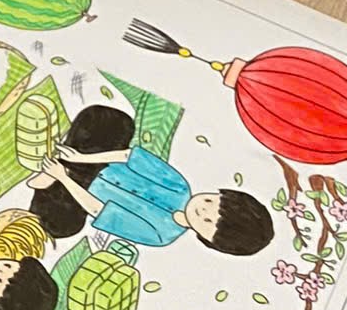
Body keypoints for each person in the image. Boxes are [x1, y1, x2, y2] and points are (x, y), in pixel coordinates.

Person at [27, 107, 274, 256]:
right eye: (210, 202)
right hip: (97, 161)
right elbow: (129, 157)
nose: (202, 210)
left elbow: (98, 210)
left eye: (207, 221)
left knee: (62, 226)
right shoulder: (179, 186)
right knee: (118, 124)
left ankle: (55, 178)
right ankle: (66, 160)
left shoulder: (161, 235)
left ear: (207, 240)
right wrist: (82, 158)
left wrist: (64, 179)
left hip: (79, 195)